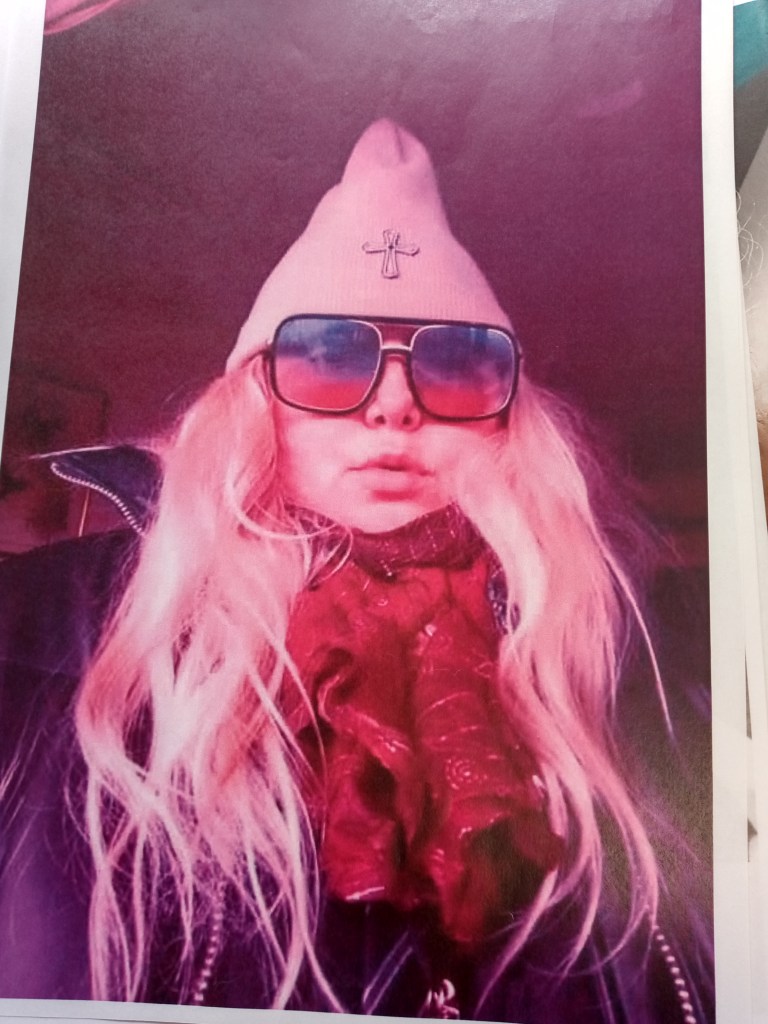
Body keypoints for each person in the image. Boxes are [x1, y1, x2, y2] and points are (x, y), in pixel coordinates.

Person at [0, 119, 712, 1022]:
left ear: (506, 418)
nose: (392, 406)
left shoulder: (653, 655)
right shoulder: (33, 624)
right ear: (256, 401)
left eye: (455, 363)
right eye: (331, 356)